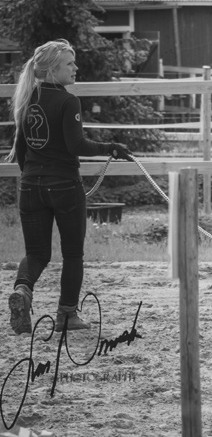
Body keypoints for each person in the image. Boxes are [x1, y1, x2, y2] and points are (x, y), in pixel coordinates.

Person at [6, 39, 131, 335]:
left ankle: (23, 291)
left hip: (31, 186)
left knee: (36, 254)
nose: (76, 68)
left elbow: (22, 151)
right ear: (52, 69)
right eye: (69, 64)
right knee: (73, 253)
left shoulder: (27, 98)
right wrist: (110, 146)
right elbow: (77, 144)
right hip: (64, 187)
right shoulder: (67, 101)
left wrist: (35, 178)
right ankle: (66, 315)